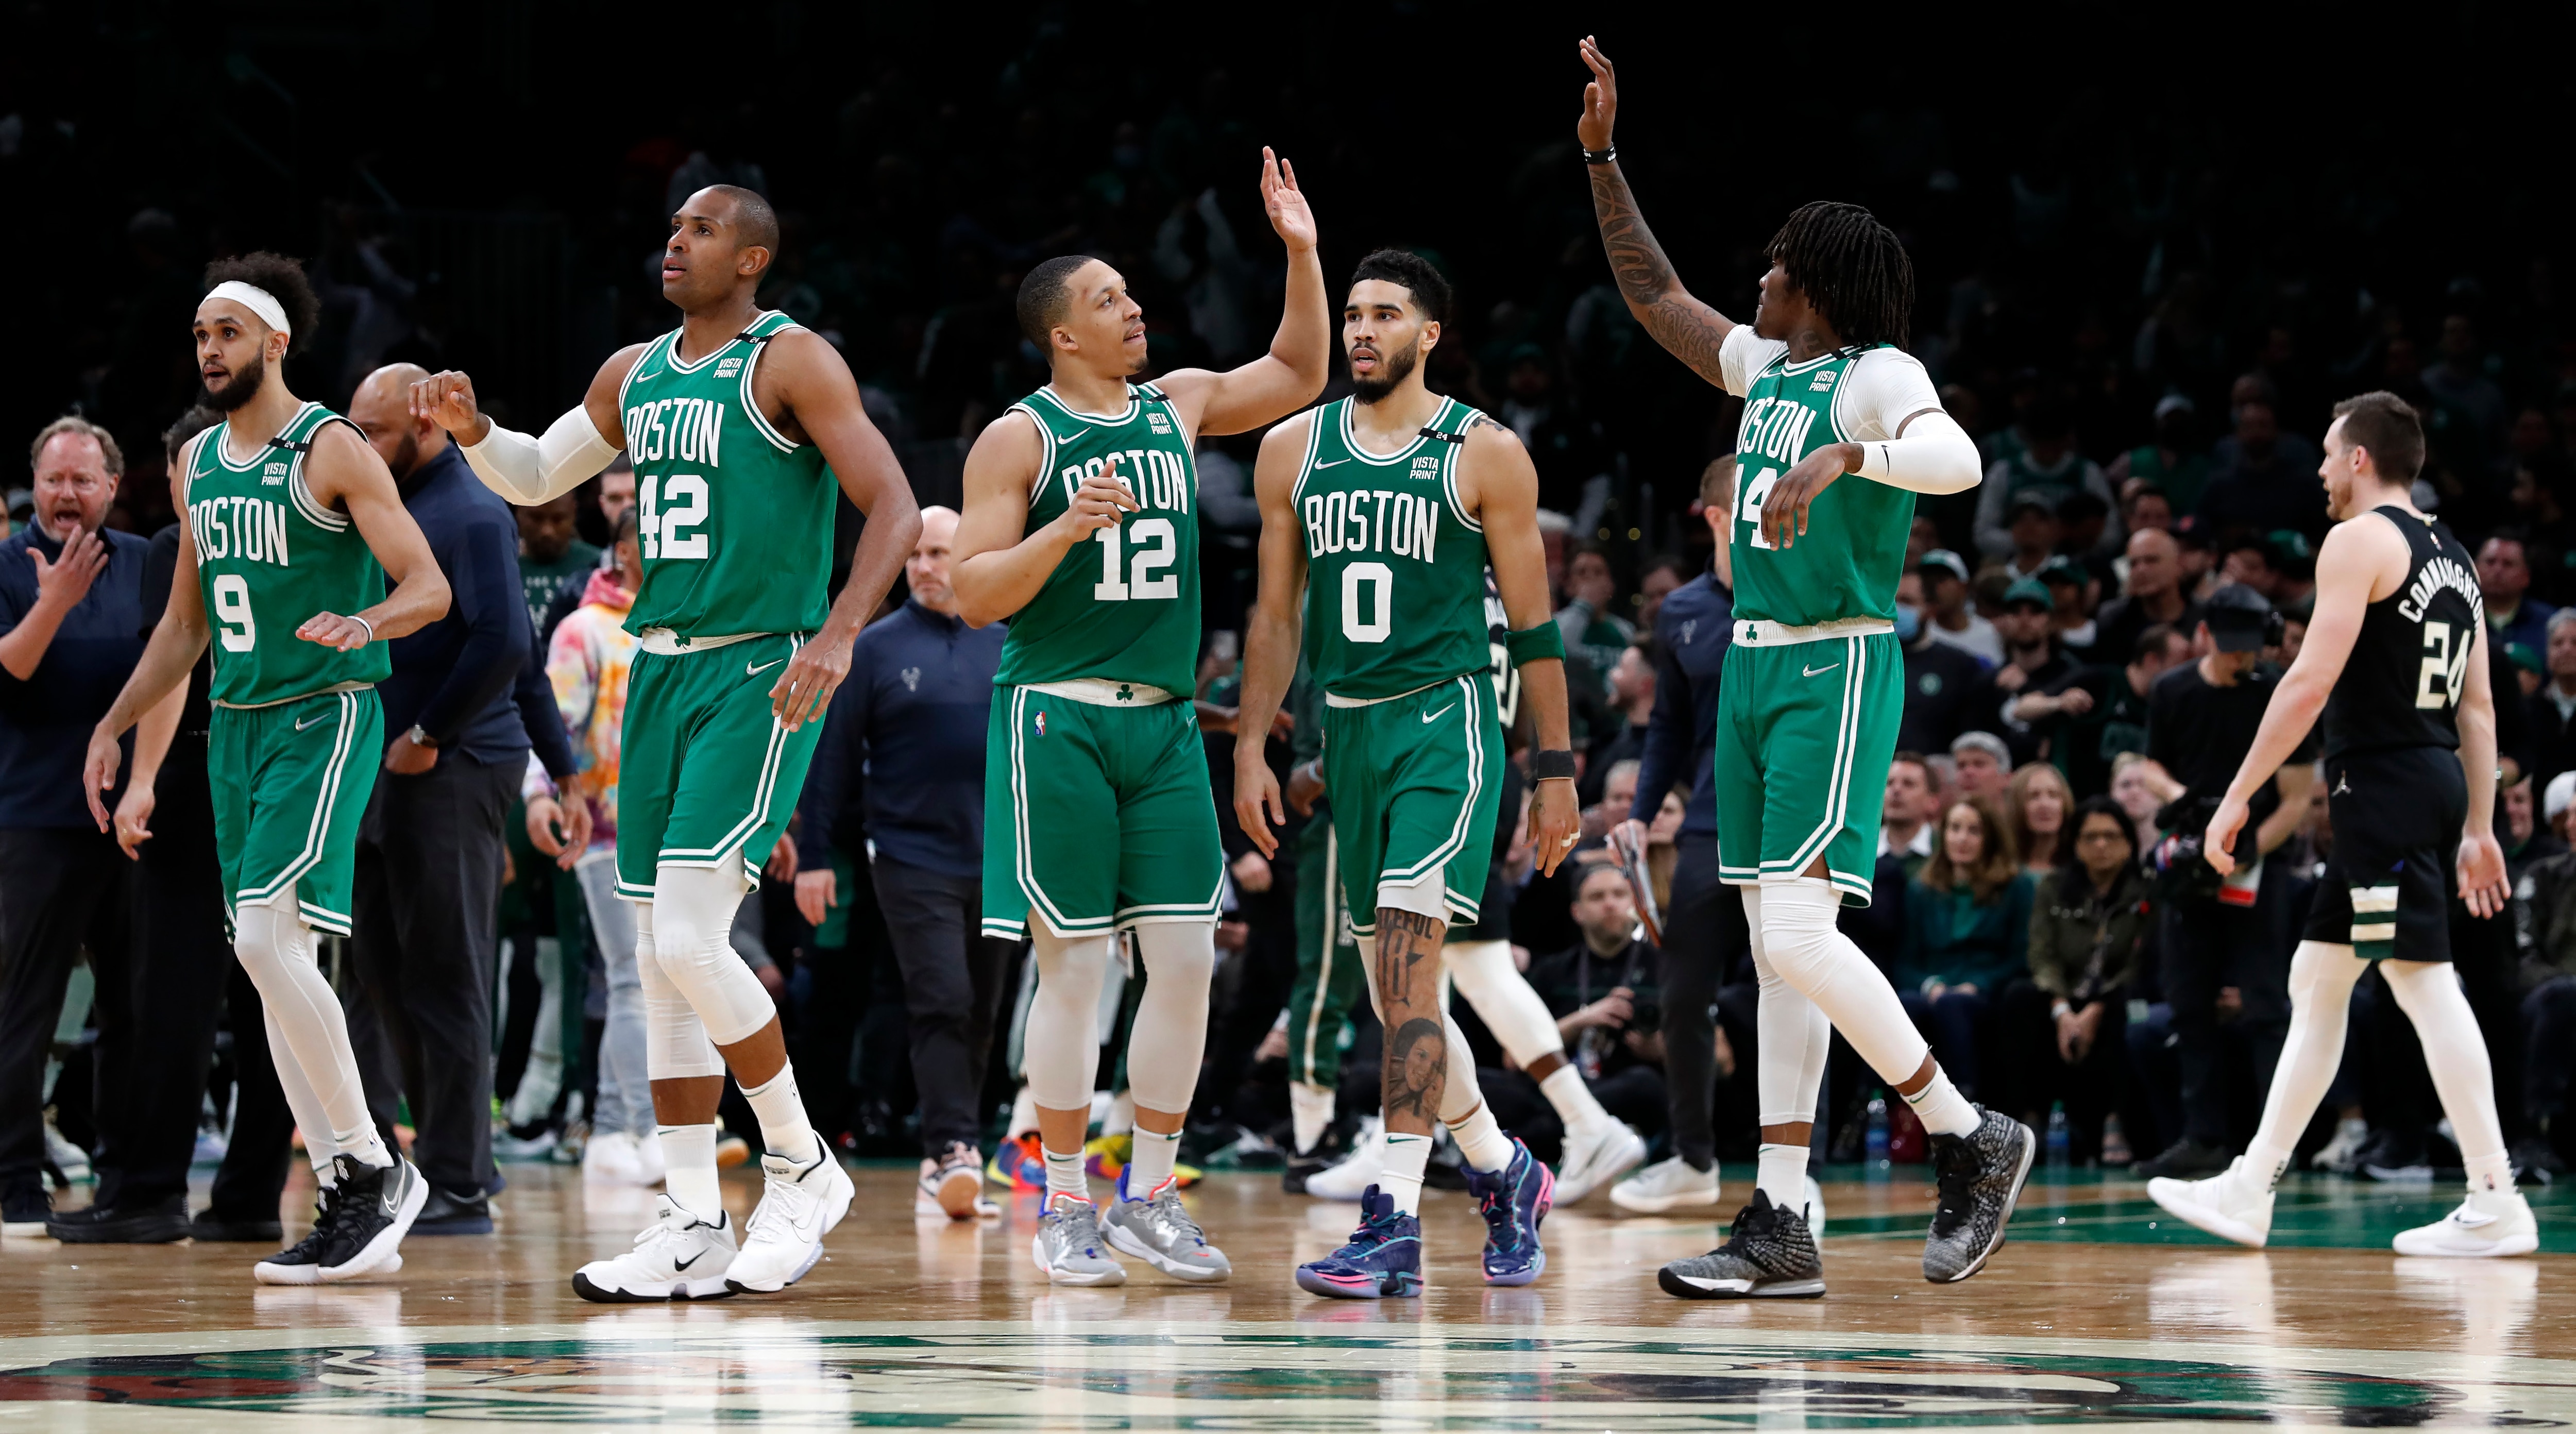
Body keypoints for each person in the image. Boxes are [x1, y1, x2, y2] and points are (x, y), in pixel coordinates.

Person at [1577, 37, 2032, 1301]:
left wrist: (1848, 462)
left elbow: (1958, 463)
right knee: (1787, 949)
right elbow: (1655, 298)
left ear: (1821, 283)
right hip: (1757, 675)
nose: (1759, 275)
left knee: (1788, 935)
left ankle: (1966, 1131)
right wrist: (1603, 159)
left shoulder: (1878, 375)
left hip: (1834, 666)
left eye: (1779, 262)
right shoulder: (1766, 367)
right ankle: (1782, 1218)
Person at [414, 183, 923, 1298]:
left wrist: (840, 633)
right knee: (653, 960)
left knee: (692, 940)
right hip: (662, 666)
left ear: (751, 257)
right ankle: (692, 1212)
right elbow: (538, 473)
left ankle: (801, 1160)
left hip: (761, 665)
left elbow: (891, 503)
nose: (674, 244)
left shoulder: (791, 362)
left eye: (699, 231)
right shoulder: (633, 371)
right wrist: (474, 433)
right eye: (671, 229)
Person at [949, 150, 1323, 1288]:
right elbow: (972, 590)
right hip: (1056, 717)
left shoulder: (1179, 404)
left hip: (1162, 726)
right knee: (1071, 970)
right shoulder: (1019, 438)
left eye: (1129, 293)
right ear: (1061, 332)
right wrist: (1061, 532)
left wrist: (1301, 250)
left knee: (1185, 961)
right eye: (1109, 299)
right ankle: (1062, 1199)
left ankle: (1147, 1191)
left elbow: (1301, 367)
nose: (1133, 307)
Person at [85, 254, 453, 1283]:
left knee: (261, 935)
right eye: (200, 335)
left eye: (228, 333)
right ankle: (351, 1179)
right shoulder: (197, 462)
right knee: (265, 952)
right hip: (239, 726)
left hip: (325, 712)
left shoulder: (328, 445)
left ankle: (372, 1165)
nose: (209, 351)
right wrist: (115, 724)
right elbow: (182, 627)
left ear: (276, 342)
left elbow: (427, 585)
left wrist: (365, 617)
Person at [1230, 245, 1581, 1300]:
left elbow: (1533, 628)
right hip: (1345, 734)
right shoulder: (1291, 449)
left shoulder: (1484, 452)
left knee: (1414, 969)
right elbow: (1278, 615)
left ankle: (1389, 1222)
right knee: (1397, 997)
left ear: (1429, 334)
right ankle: (1503, 1169)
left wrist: (1555, 769)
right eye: (1351, 314)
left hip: (1447, 726)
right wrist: (1255, 743)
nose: (1361, 331)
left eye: (1385, 314)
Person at [2150, 391, 2538, 1256]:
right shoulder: (2457, 555)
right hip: (2430, 776)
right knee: (2317, 982)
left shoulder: (2359, 539)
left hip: (2383, 783)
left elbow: (2307, 681)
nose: (2321, 469)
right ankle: (2252, 1184)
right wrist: (2477, 821)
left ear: (2360, 458)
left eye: (2329, 454)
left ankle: (2495, 1194)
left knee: (2420, 979)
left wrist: (2239, 792)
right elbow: (2478, 710)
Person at [343, 362, 577, 1235]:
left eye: (374, 432)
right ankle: (440, 1158)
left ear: (426, 428)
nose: (361, 446)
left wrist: (429, 734)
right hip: (395, 764)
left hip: (454, 764)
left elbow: (509, 646)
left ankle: (460, 1182)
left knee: (447, 970)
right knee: (385, 966)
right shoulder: (398, 504)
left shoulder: (472, 509)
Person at [793, 505, 1010, 1221]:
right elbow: (829, 759)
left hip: (999, 856)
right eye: (915, 554)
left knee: (982, 1007)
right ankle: (951, 1147)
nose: (925, 566)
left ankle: (952, 1146)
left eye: (941, 552)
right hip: (909, 856)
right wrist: (815, 858)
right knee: (941, 995)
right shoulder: (877, 647)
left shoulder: (1009, 641)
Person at [0, 418, 157, 1240]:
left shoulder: (141, 561)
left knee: (134, 1004)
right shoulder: (4, 565)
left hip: (130, 818)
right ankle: (14, 1176)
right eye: (55, 479)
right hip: (34, 818)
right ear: (37, 482)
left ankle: (123, 1170)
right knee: (23, 1006)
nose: (68, 495)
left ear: (110, 486)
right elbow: (9, 668)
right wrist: (53, 601)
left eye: (84, 481)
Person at [2130, 584, 2315, 1179]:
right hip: (2190, 861)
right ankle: (2202, 1136)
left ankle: (2273, 1142)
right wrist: (2179, 798)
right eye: (2233, 647)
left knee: (2265, 1004)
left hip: (2256, 863)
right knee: (2189, 1002)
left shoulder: (2277, 694)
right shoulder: (2172, 689)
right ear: (2205, 634)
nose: (2243, 659)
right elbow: (2150, 764)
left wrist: (2247, 849)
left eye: (2250, 648)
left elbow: (2294, 796)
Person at [1610, 457, 1745, 1214]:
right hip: (1705, 829)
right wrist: (1640, 807)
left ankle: (1803, 1169)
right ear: (1717, 516)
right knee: (1682, 996)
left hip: (1784, 831)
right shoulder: (1683, 610)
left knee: (1794, 996)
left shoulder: (1795, 596)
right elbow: (1667, 724)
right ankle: (1694, 1159)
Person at [537, 508, 657, 1188]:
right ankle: (631, 1125)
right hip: (608, 831)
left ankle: (628, 1128)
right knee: (630, 980)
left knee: (655, 983)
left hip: (675, 833)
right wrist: (541, 794)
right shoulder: (584, 628)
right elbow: (553, 723)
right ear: (621, 549)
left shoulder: (681, 623)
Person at [2010, 796, 2151, 1165]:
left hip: (2114, 995)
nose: (2101, 845)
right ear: (2075, 843)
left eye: (2111, 836)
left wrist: (2097, 1006)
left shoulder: (2146, 889)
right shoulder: (2054, 887)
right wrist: (2061, 1009)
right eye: (2091, 837)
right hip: (2063, 994)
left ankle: (2116, 1120)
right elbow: (2042, 954)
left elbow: (2141, 958)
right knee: (2020, 997)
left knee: (2131, 1006)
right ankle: (2029, 1122)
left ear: (2129, 842)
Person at [1896, 800, 2033, 1104]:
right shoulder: (1922, 889)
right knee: (1905, 1005)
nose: (1962, 838)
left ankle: (1965, 1107)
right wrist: (1930, 985)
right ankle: (1880, 1110)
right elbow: (1905, 962)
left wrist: (1979, 985)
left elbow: (2020, 958)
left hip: (1985, 992)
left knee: (1953, 1005)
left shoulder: (2016, 887)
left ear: (1991, 839)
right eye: (1955, 829)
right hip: (1934, 988)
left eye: (1974, 831)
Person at [1894, 570, 1990, 755]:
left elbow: (1970, 737)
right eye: (1892, 601)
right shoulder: (1869, 662)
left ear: (1930, 609)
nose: (1896, 609)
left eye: (1907, 602)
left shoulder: (1960, 667)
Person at [2091, 528, 2200, 670]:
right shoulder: (2113, 620)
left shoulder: (2205, 618)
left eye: (2151, 560)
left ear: (2179, 564)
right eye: (2134, 564)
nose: (2141, 570)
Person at [2480, 533, 2555, 665]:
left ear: (2526, 576)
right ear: (2474, 568)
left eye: (2508, 564)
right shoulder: (2460, 617)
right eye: (2490, 562)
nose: (2497, 570)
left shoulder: (2550, 623)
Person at [1918, 548, 2003, 665]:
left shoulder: (1988, 632)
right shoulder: (1921, 633)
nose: (1932, 588)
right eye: (1927, 581)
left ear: (1963, 586)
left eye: (1941, 580)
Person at [2006, 762, 2073, 875]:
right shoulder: (2000, 868)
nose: (2045, 805)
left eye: (2053, 795)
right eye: (2034, 796)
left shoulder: (2082, 867)